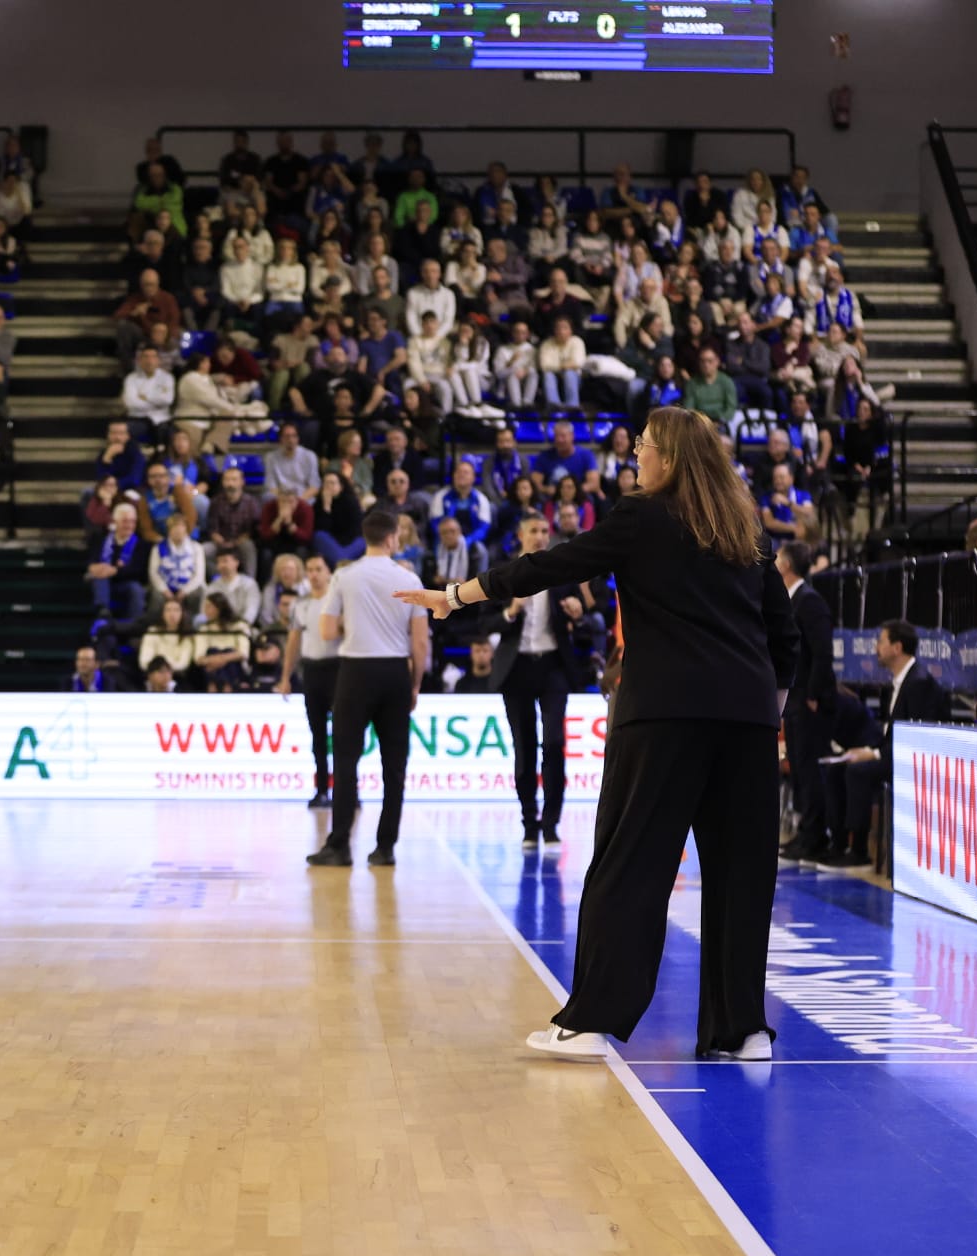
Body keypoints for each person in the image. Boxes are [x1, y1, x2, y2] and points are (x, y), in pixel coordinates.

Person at [397, 406, 798, 1061]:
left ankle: (591, 1021)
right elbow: (785, 635)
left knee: (629, 864)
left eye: (642, 447)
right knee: (743, 875)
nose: (634, 457)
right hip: (747, 720)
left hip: (664, 714)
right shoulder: (745, 524)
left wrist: (458, 594)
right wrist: (767, 707)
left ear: (666, 456)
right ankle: (744, 1029)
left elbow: (549, 565)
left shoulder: (641, 517)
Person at [308, 511, 429, 867]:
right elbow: (420, 644)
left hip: (355, 672)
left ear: (366, 537)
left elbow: (327, 631)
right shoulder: (409, 578)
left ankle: (340, 844)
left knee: (345, 759)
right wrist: (415, 682)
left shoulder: (345, 576)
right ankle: (385, 847)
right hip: (395, 671)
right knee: (394, 765)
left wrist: (356, 623)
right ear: (393, 538)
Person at [477, 513, 600, 848]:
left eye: (545, 531)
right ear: (520, 535)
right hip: (516, 668)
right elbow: (484, 624)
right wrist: (509, 613)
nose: (540, 536)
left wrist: (580, 614)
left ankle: (551, 823)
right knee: (524, 747)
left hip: (553, 667)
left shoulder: (562, 574)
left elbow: (587, 629)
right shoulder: (503, 575)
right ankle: (529, 822)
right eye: (533, 530)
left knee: (555, 743)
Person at [827, 620, 948, 871]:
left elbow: (914, 738)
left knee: (857, 771)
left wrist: (872, 753)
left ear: (897, 647)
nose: (876, 647)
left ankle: (860, 851)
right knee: (838, 767)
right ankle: (838, 844)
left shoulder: (919, 683)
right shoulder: (898, 682)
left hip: (915, 758)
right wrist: (868, 750)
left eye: (881, 641)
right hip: (895, 751)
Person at [777, 541, 836, 864]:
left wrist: (813, 694)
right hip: (796, 699)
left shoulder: (809, 602)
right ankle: (803, 833)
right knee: (799, 768)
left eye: (777, 560)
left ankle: (815, 837)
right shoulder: (793, 600)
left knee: (810, 769)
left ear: (787, 565)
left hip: (809, 701)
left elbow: (823, 652)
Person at [277, 554, 340, 807]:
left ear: (328, 573)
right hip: (312, 670)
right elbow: (293, 642)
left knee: (343, 734)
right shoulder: (300, 605)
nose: (314, 574)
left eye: (318, 569)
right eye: (310, 570)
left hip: (338, 668)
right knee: (317, 734)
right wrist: (286, 676)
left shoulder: (338, 602)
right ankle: (322, 789)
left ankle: (349, 790)